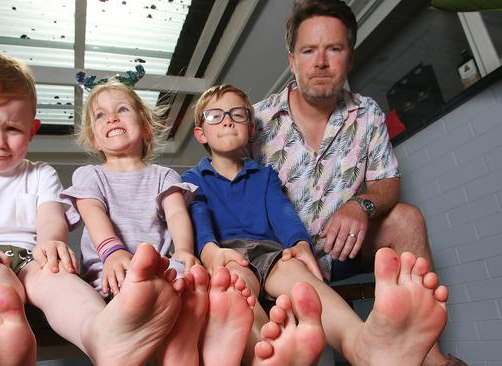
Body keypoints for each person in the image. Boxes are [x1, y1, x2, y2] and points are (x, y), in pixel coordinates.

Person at [0, 52, 189, 366]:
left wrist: (51, 245)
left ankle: (101, 334)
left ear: (32, 129)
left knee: (58, 280)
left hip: (31, 261)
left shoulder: (41, 173)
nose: (0, 140)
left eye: (13, 129)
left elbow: (51, 222)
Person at [250, 1, 466, 364]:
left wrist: (360, 205)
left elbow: (388, 181)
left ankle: (429, 358)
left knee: (406, 218)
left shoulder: (366, 114)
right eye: (308, 51)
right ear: (292, 60)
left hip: (343, 249)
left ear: (349, 59)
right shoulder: (255, 122)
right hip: (282, 259)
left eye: (333, 49)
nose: (320, 61)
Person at [184, 83, 450, 365]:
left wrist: (299, 245)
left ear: (251, 130)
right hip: (228, 254)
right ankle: (266, 351)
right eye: (215, 116)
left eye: (237, 114)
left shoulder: (264, 176)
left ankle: (361, 345)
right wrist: (211, 253)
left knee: (303, 283)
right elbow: (199, 221)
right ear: (200, 133)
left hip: (272, 253)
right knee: (235, 288)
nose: (227, 119)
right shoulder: (193, 179)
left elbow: (282, 213)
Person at [60, 79, 255, 365]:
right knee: (140, 293)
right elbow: (93, 213)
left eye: (122, 109)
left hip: (160, 270)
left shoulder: (163, 176)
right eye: (100, 115)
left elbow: (177, 214)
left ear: (146, 126)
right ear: (93, 137)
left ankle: (184, 347)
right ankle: (183, 343)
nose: (111, 117)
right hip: (111, 270)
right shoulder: (90, 175)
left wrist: (185, 251)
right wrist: (113, 252)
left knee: (184, 277)